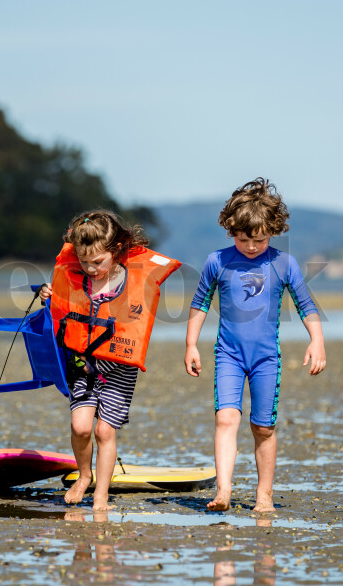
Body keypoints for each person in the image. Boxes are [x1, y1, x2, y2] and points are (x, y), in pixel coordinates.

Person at [184, 178, 326, 513]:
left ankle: (263, 495)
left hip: (266, 359)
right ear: (231, 230)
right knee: (226, 420)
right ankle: (223, 491)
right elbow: (200, 304)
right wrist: (191, 344)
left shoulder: (283, 263)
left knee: (263, 427)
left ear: (273, 231)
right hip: (228, 355)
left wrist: (316, 341)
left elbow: (307, 306)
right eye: (243, 238)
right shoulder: (216, 261)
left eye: (259, 239)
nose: (250, 246)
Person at [40, 210, 180, 511]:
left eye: (98, 262)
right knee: (80, 427)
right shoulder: (73, 276)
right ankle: (84, 475)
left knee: (105, 430)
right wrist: (46, 293)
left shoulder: (131, 278)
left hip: (119, 368)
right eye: (84, 261)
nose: (90, 268)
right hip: (82, 364)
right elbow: (58, 306)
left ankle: (101, 494)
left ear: (116, 252)